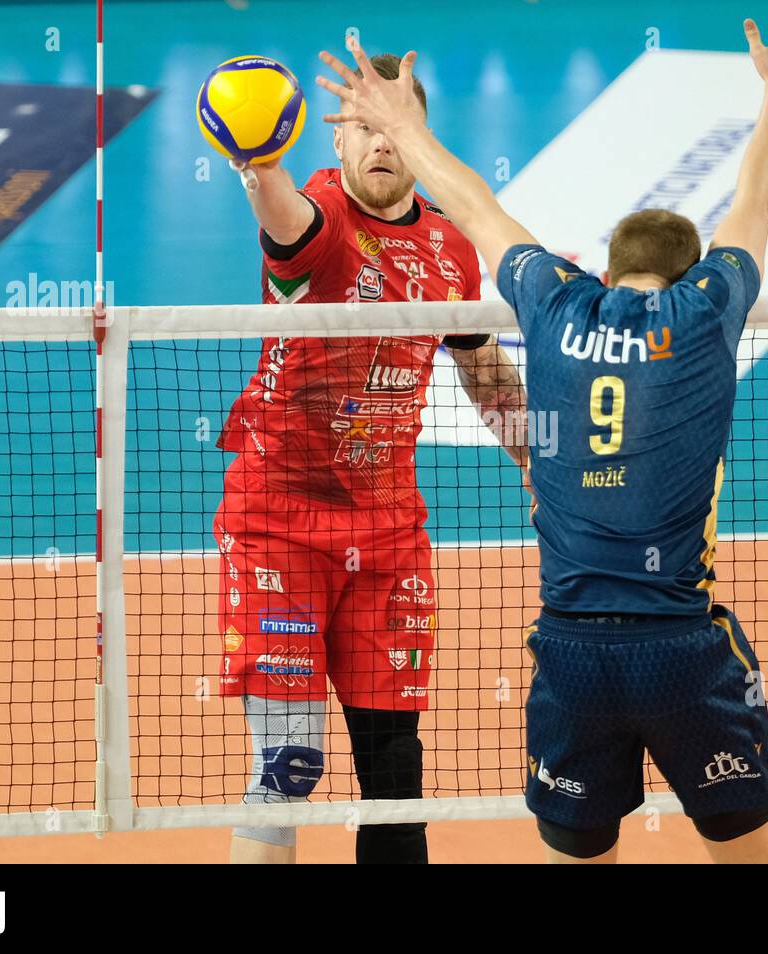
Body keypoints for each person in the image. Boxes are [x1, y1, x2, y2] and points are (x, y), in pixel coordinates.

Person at [316, 10, 768, 862]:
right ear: (693, 277)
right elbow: (757, 201)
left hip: (573, 655)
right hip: (683, 654)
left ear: (604, 271)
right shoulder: (706, 315)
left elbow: (472, 203)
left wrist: (402, 123)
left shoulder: (552, 301)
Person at [213, 52, 528, 865]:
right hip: (277, 520)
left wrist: (539, 461)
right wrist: (259, 168)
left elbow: (481, 363)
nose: (378, 144)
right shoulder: (318, 216)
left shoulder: (451, 252)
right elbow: (284, 221)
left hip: (387, 536)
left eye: (394, 127)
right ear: (338, 136)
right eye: (361, 127)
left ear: (417, 138)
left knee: (396, 776)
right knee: (289, 766)